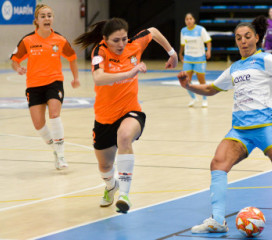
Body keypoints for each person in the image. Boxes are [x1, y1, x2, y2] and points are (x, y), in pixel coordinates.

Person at [177, 16, 272, 233]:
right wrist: (189, 86)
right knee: (218, 163)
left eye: (247, 37)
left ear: (257, 38)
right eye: (239, 38)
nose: (243, 41)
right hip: (239, 131)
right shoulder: (234, 68)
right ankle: (218, 221)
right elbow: (211, 88)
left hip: (265, 127)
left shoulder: (266, 59)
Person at [74, 18, 178, 213]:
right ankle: (111, 186)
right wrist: (130, 73)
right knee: (104, 166)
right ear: (105, 39)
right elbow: (98, 77)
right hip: (104, 117)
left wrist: (171, 53)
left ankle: (124, 195)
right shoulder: (100, 51)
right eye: (116, 40)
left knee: (124, 137)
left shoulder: (134, 45)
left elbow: (153, 30)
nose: (121, 44)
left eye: (124, 39)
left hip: (131, 111)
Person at [10, 4, 80, 170]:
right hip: (34, 85)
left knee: (54, 114)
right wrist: (18, 68)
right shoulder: (27, 40)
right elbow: (15, 60)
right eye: (43, 16)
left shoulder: (60, 40)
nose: (47, 18)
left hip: (54, 82)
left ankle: (61, 154)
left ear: (52, 19)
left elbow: (72, 57)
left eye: (49, 15)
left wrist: (76, 77)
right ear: (36, 21)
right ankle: (55, 149)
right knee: (38, 124)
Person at [179, 13, 212, 107]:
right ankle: (193, 98)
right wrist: (180, 53)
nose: (188, 21)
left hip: (199, 58)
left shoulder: (201, 29)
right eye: (186, 19)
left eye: (190, 18)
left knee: (201, 81)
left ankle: (205, 99)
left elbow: (208, 41)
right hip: (188, 58)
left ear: (194, 20)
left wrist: (208, 51)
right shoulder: (183, 31)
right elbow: (182, 44)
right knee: (186, 81)